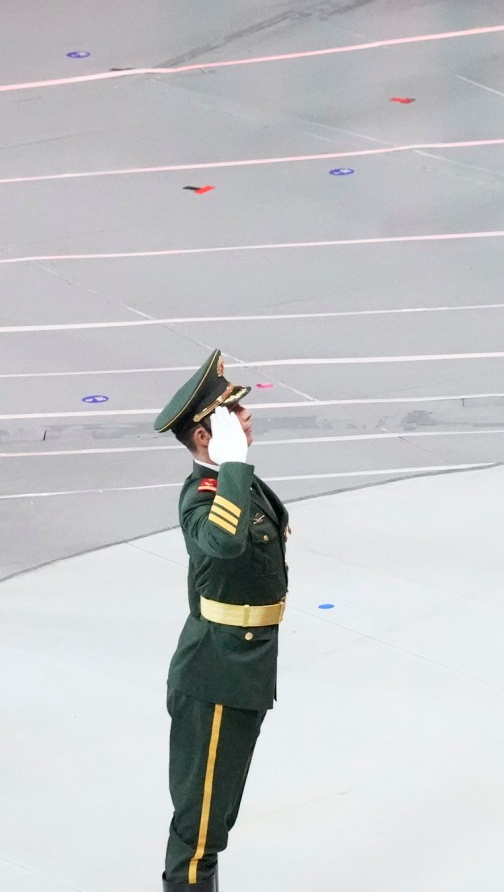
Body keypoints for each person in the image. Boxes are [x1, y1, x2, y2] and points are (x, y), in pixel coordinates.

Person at [152, 351, 287, 892]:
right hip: (215, 676)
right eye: (233, 416)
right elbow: (225, 546)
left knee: (219, 815)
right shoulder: (204, 497)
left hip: (244, 667)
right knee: (200, 826)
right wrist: (231, 465)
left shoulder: (240, 484)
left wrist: (235, 468)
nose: (246, 419)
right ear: (206, 439)